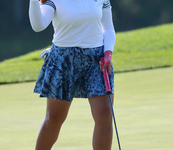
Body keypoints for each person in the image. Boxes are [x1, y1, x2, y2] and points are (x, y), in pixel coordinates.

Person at [29, 0, 116, 149]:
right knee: (54, 119)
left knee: (105, 113)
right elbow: (38, 26)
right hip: (63, 61)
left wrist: (108, 51)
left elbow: (108, 28)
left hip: (97, 60)